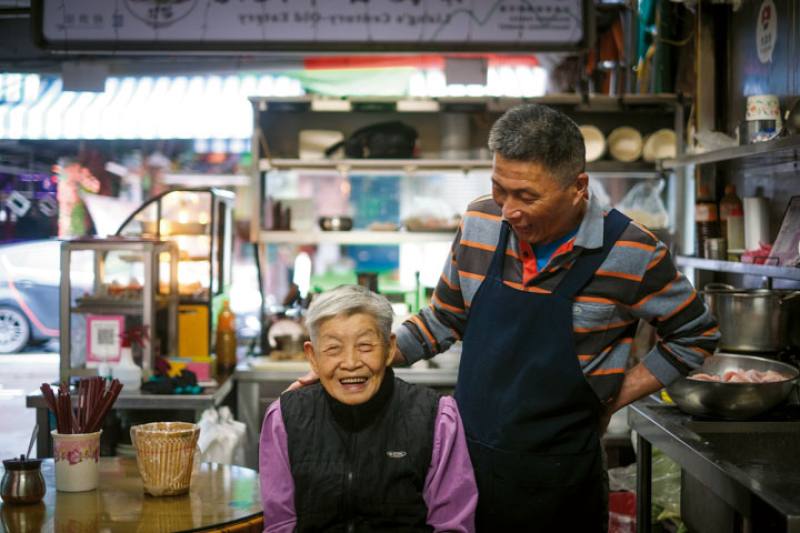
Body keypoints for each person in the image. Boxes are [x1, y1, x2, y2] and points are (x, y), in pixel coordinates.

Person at [391, 104, 720, 530]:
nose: (509, 210)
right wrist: (373, 355)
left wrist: (614, 394)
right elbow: (444, 317)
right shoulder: (479, 221)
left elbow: (696, 335)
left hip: (561, 483)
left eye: (527, 196)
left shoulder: (633, 252)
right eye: (499, 189)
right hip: (464, 472)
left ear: (578, 187)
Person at [260, 285, 477, 533]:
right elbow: (280, 525)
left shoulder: (437, 418)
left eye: (365, 346)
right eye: (333, 348)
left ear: (389, 349)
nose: (351, 363)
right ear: (312, 357)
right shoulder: (284, 419)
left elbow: (452, 526)